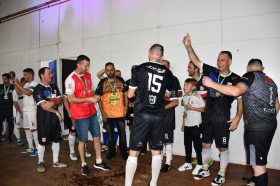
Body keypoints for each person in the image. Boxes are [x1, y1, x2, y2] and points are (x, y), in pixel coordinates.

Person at [202, 59, 279, 186]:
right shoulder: (271, 82)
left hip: (256, 129)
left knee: (256, 164)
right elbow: (277, 106)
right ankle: (255, 179)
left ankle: (259, 180)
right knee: (261, 158)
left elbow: (235, 91)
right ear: (262, 68)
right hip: (270, 125)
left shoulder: (250, 76)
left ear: (248, 67)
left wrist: (211, 84)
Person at [183, 33, 243, 185]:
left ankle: (221, 174)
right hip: (208, 115)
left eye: (222, 60)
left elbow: (241, 101)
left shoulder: (236, 79)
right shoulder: (211, 71)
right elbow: (196, 60)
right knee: (205, 144)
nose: (219, 62)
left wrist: (237, 117)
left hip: (222, 117)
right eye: (218, 59)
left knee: (223, 146)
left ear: (229, 61)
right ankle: (205, 168)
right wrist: (189, 46)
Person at [125, 44, 173, 186]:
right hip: (158, 115)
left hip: (142, 115)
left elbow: (130, 95)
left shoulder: (140, 69)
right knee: (156, 152)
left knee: (134, 152)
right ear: (161, 56)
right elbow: (168, 95)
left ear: (149, 53)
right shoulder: (168, 73)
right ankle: (153, 183)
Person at [65, 55, 111, 176]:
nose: (87, 68)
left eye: (88, 65)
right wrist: (88, 99)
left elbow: (91, 91)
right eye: (86, 65)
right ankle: (84, 164)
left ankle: (99, 161)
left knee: (97, 137)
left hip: (92, 112)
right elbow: (70, 99)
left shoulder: (88, 75)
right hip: (80, 115)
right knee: (82, 140)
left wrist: (96, 96)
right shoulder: (70, 79)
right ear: (78, 64)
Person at [33, 67, 67, 172]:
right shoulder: (37, 89)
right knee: (42, 142)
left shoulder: (54, 86)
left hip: (54, 120)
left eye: (51, 73)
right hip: (44, 120)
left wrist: (52, 102)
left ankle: (56, 161)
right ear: (42, 75)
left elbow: (61, 99)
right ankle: (40, 162)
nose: (51, 75)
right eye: (49, 73)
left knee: (56, 140)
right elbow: (44, 106)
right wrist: (56, 111)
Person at [96, 62, 128, 160]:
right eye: (107, 70)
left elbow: (126, 95)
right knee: (110, 135)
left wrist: (126, 107)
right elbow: (98, 99)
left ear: (114, 70)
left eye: (111, 70)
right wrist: (102, 113)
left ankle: (123, 152)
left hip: (120, 112)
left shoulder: (121, 80)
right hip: (108, 114)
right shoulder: (102, 82)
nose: (109, 72)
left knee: (122, 134)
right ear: (105, 72)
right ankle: (111, 152)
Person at [178, 78, 205, 175]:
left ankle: (200, 165)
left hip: (196, 125)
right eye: (184, 85)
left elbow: (204, 109)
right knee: (187, 145)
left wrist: (193, 108)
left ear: (193, 87)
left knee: (197, 146)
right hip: (187, 125)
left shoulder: (197, 97)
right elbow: (185, 111)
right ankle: (188, 163)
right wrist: (183, 124)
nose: (185, 87)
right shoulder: (184, 97)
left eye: (187, 85)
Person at [160, 59, 181, 172]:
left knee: (168, 139)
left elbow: (175, 102)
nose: (163, 68)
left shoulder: (173, 80)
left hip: (167, 115)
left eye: (165, 66)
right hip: (156, 116)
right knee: (158, 138)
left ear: (169, 67)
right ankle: (160, 159)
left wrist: (162, 108)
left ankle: (168, 162)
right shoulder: (155, 79)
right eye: (161, 66)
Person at [14, 68, 39, 156]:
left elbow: (28, 93)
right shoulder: (27, 84)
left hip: (32, 110)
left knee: (34, 129)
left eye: (25, 75)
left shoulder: (35, 83)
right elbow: (19, 93)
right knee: (26, 128)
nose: (24, 77)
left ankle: (38, 148)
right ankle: (31, 147)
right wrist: (16, 85)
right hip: (25, 110)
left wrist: (18, 84)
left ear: (30, 74)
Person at [0, 73, 16, 143]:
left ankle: (9, 137)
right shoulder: (0, 86)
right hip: (1, 108)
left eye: (5, 78)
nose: (4, 80)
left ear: (9, 79)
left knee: (10, 123)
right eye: (3, 79)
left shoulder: (13, 86)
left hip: (10, 108)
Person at [12, 77, 25, 146]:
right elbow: (15, 103)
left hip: (25, 110)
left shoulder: (26, 89)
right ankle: (18, 138)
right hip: (17, 110)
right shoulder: (15, 91)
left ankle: (31, 137)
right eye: (24, 83)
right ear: (21, 82)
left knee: (27, 124)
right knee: (17, 125)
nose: (26, 84)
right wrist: (20, 112)